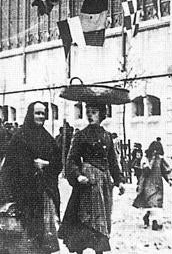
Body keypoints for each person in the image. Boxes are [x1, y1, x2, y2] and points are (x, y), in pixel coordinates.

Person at [0, 102, 62, 254]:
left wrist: (46, 164)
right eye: (37, 113)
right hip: (22, 194)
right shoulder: (20, 137)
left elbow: (58, 163)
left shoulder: (47, 138)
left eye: (42, 113)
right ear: (30, 114)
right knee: (21, 238)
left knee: (42, 238)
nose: (40, 116)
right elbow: (12, 165)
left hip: (42, 194)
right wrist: (31, 165)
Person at [58, 103, 125, 254]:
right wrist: (77, 175)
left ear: (102, 115)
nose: (90, 115)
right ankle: (80, 250)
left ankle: (99, 250)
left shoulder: (107, 136)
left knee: (101, 218)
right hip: (86, 183)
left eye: (94, 112)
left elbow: (113, 161)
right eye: (88, 112)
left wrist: (119, 181)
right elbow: (72, 160)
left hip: (103, 183)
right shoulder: (80, 135)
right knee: (84, 217)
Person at [132, 142, 172, 230]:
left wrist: (169, 179)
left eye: (157, 151)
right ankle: (146, 218)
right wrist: (151, 161)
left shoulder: (161, 159)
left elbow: (165, 170)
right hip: (147, 184)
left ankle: (155, 222)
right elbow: (146, 170)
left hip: (157, 184)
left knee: (156, 203)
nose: (155, 153)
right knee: (148, 202)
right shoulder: (145, 159)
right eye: (154, 151)